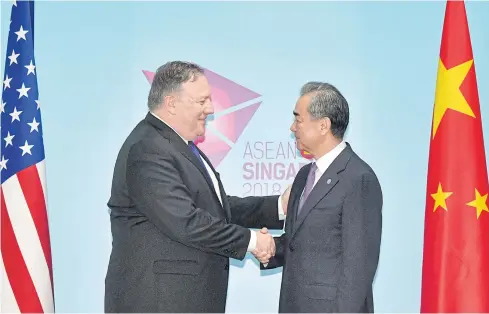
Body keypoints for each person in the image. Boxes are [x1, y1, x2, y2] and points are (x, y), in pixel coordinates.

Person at [104, 61, 289, 312]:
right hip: (159, 303)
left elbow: (216, 208)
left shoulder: (175, 145)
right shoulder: (148, 148)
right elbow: (186, 221)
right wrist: (253, 241)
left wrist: (278, 207)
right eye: (202, 101)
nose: (210, 109)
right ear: (171, 103)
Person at [257, 82, 383, 313]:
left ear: (323, 125)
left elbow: (358, 268)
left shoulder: (358, 178)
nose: (293, 127)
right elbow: (298, 242)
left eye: (299, 119)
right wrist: (266, 246)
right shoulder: (305, 175)